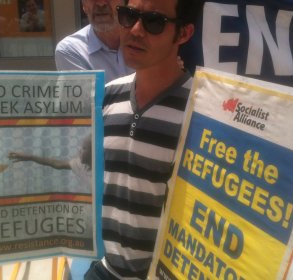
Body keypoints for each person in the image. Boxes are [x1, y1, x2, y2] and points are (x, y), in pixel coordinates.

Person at [83, 0, 203, 278]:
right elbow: (76, 166)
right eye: (129, 15)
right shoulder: (107, 95)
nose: (135, 30)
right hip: (107, 269)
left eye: (153, 21)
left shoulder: (201, 111)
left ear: (183, 34)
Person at [55, 0, 132, 83]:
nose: (101, 3)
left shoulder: (143, 39)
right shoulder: (70, 50)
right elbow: (87, 95)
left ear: (125, 3)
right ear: (84, 5)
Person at [8, 133, 92, 190]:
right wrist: (30, 157)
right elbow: (56, 163)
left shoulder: (102, 171)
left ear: (93, 151)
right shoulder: (80, 165)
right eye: (81, 147)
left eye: (84, 148)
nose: (79, 150)